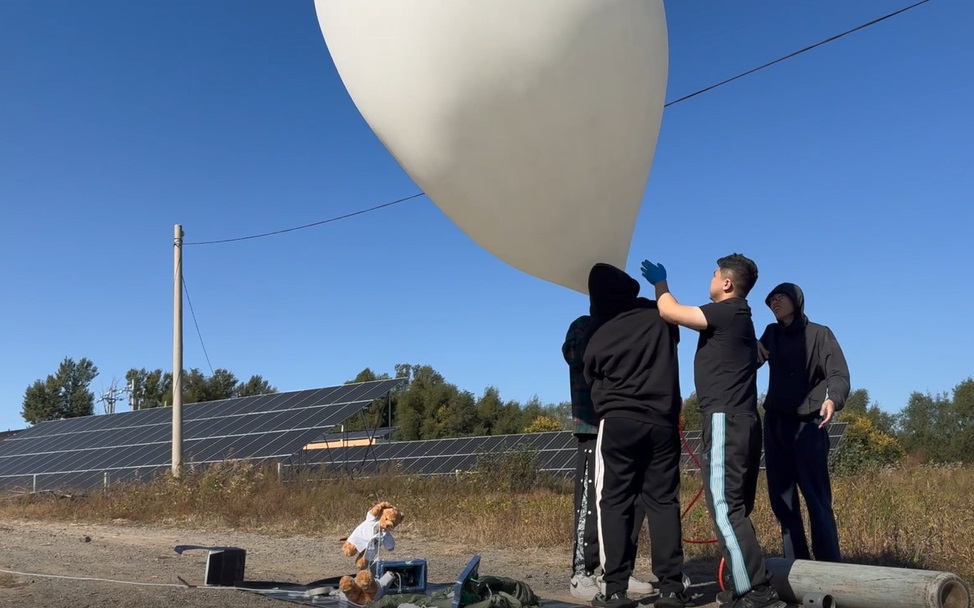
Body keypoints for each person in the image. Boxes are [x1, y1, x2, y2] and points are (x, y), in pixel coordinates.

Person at [640, 254, 785, 608]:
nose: (711, 276)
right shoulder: (742, 322)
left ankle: (756, 591)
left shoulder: (729, 310)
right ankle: (743, 584)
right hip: (743, 421)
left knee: (725, 507)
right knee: (734, 507)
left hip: (725, 420)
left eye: (715, 272)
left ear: (727, 284)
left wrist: (661, 283)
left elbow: (671, 311)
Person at [581, 263, 689, 608]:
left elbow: (590, 374)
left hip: (618, 422)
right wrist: (660, 285)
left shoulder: (600, 330)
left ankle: (615, 589)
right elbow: (673, 325)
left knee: (615, 502)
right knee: (662, 502)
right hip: (661, 422)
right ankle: (671, 588)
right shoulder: (658, 316)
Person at [564, 313, 656, 601]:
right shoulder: (582, 325)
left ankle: (618, 571)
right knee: (590, 502)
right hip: (593, 425)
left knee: (629, 502)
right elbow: (574, 355)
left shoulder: (626, 324)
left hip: (626, 426)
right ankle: (583, 572)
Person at [757, 282, 850, 563]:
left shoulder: (820, 334)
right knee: (782, 501)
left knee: (817, 499)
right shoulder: (771, 334)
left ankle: (830, 566)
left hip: (809, 426)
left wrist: (833, 399)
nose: (774, 302)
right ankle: (798, 566)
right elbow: (748, 360)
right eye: (770, 299)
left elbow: (839, 374)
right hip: (775, 427)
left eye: (780, 297)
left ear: (796, 300)